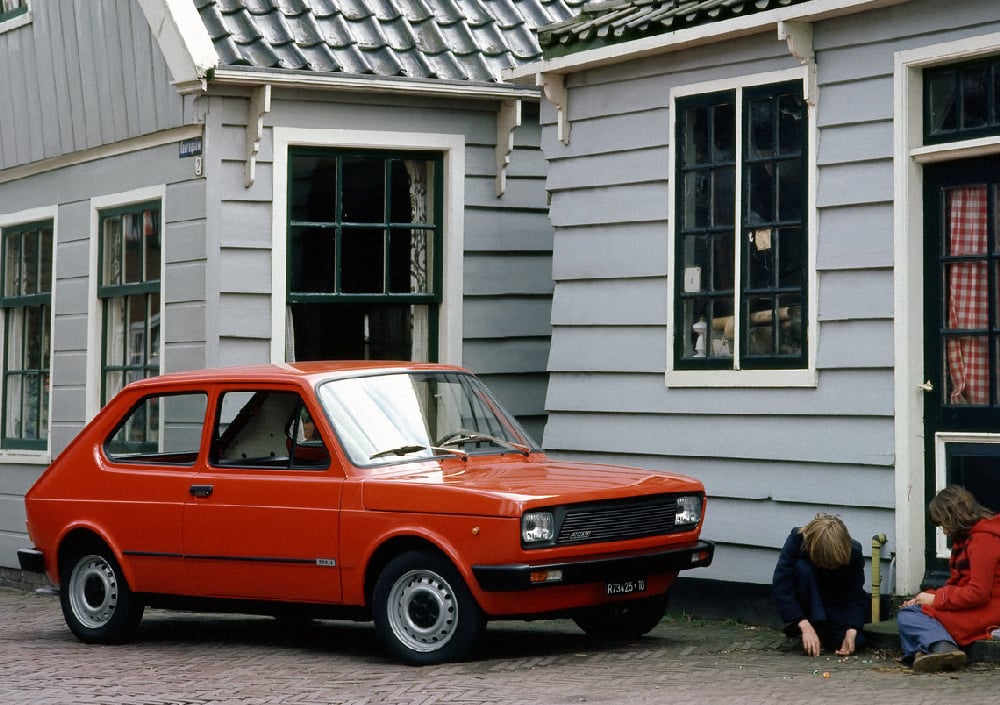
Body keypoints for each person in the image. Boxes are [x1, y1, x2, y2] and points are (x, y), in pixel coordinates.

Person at [897, 485, 1000, 673]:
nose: (944, 531)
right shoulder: (970, 539)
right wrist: (925, 597)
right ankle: (930, 650)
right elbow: (958, 585)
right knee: (912, 611)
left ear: (954, 517)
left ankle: (942, 648)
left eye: (944, 524)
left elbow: (978, 592)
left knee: (910, 616)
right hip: (979, 607)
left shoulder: (982, 541)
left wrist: (937, 600)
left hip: (988, 611)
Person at [772, 513, 867, 657]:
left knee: (856, 642)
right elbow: (782, 585)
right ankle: (807, 628)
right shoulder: (796, 541)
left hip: (833, 600)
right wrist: (803, 624)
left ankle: (823, 631)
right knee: (803, 568)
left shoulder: (853, 552)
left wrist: (852, 628)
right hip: (806, 599)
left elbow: (854, 593)